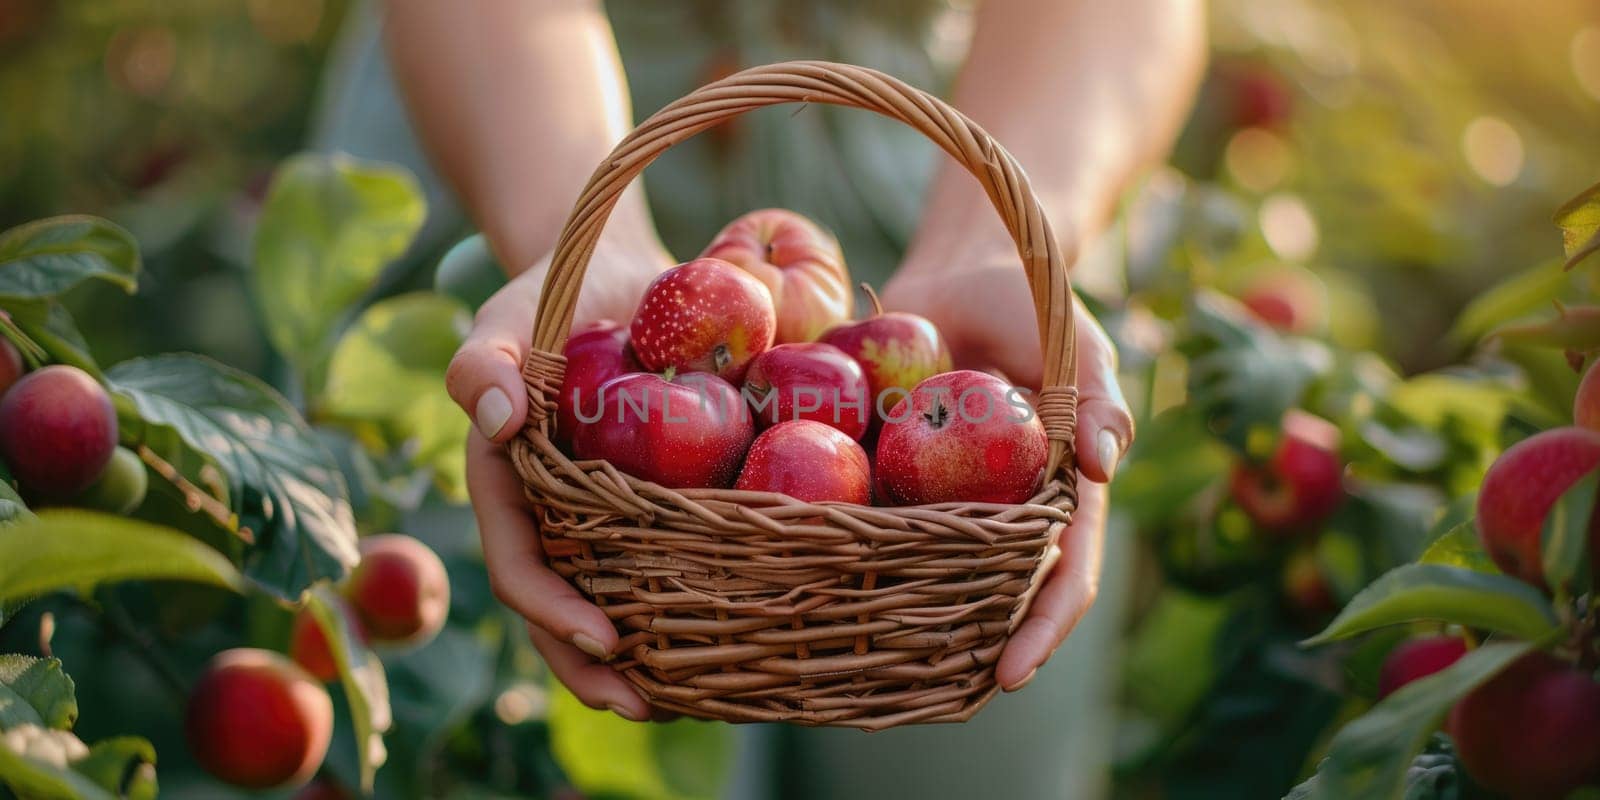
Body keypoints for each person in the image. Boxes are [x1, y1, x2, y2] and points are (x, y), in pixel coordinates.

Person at [377, 1, 1205, 795]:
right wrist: (572, 244)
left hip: (952, 244)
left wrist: (999, 245)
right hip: (521, 169)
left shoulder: (928, 365)